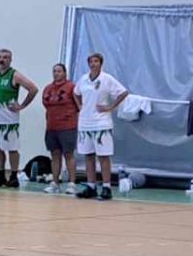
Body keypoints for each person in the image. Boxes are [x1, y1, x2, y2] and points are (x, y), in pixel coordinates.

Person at [73, 52, 128, 200]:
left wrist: (110, 107)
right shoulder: (83, 79)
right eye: (91, 61)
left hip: (101, 122)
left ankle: (106, 187)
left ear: (101, 63)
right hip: (85, 122)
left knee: (103, 156)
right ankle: (91, 186)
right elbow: (75, 93)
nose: (93, 64)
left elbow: (123, 92)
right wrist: (80, 107)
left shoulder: (106, 78)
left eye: (96, 61)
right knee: (88, 155)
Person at [0, 49, 40, 188]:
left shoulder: (14, 74)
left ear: (10, 60)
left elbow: (33, 89)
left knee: (12, 149)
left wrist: (22, 105)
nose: (1, 59)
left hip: (9, 120)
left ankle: (14, 176)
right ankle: (0, 175)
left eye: (5, 57)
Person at [41, 62, 80, 193]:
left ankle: (72, 183)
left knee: (68, 154)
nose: (56, 73)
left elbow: (79, 105)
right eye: (54, 71)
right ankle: (55, 183)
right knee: (55, 154)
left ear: (64, 73)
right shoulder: (48, 89)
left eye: (59, 71)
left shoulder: (72, 87)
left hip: (67, 126)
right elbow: (46, 105)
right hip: (52, 127)